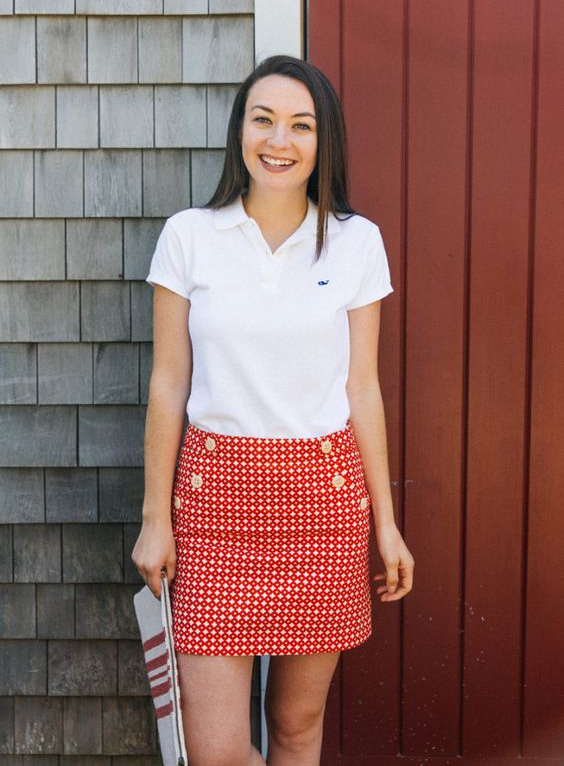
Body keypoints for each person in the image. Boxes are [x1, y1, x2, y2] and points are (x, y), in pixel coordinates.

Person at [131, 53, 414, 766]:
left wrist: (386, 524)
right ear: (240, 131)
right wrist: (153, 518)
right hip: (213, 504)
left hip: (322, 505)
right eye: (263, 120)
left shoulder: (356, 243)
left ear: (324, 143)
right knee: (215, 748)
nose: (279, 141)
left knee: (294, 727)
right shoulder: (190, 237)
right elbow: (168, 383)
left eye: (300, 125)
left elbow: (363, 389)